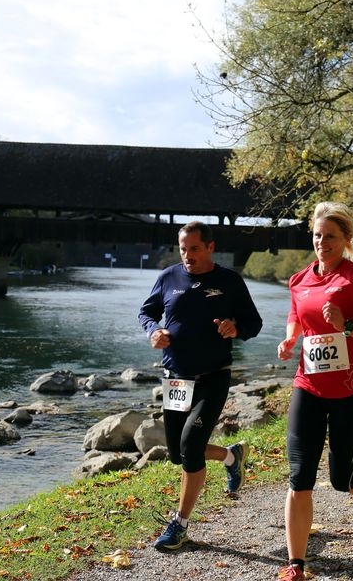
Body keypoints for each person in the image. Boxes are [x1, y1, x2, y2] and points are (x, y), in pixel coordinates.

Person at [275, 202, 353, 581]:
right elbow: (297, 315)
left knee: (341, 477)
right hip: (308, 385)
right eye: (316, 235)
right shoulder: (299, 280)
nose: (321, 242)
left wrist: (348, 327)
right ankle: (296, 565)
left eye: (330, 236)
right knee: (299, 476)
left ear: (345, 240)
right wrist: (290, 339)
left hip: (351, 392)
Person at [138, 221, 263, 551]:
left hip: (212, 377)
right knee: (179, 455)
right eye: (183, 249)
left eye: (194, 248)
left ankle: (179, 524)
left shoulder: (229, 281)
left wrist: (235, 328)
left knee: (191, 447)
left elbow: (254, 322)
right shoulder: (168, 278)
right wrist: (153, 331)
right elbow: (146, 312)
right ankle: (232, 458)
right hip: (176, 378)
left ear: (210, 247)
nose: (188, 255)